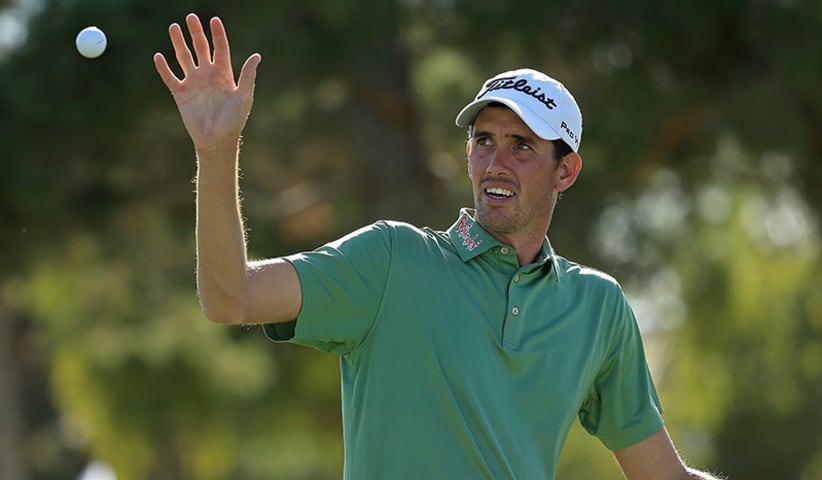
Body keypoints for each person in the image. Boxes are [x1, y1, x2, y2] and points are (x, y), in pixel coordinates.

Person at [154, 13, 726, 480]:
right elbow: (230, 298)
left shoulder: (597, 307)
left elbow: (663, 477)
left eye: (522, 146)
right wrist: (216, 151)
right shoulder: (390, 261)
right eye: (484, 141)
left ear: (566, 171)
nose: (495, 163)